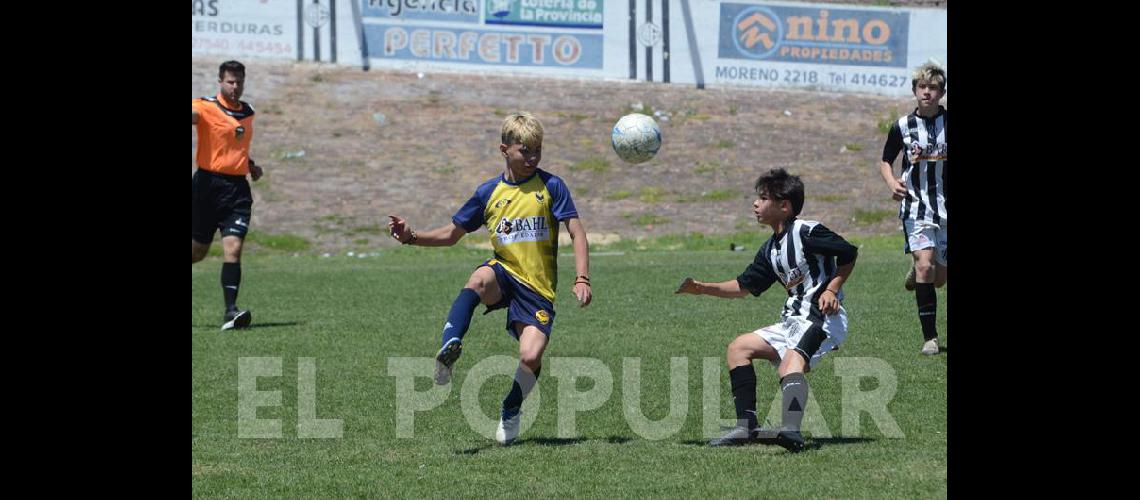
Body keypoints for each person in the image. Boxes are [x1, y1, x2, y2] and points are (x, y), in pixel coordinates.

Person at [387, 112, 593, 445]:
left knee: (530, 356)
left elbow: (577, 232)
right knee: (479, 280)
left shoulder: (551, 186)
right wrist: (412, 236)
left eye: (537, 150)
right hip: (505, 271)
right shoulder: (488, 193)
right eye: (525, 151)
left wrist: (582, 277)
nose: (532, 157)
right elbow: (452, 234)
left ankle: (511, 408)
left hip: (537, 288)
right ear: (504, 149)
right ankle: (448, 348)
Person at [676, 168, 857, 451]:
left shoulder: (807, 231)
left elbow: (848, 253)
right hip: (792, 321)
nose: (756, 204)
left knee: (790, 366)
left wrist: (832, 289)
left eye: (763, 198)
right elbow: (742, 286)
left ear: (784, 206)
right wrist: (702, 288)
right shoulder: (771, 249)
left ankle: (792, 433)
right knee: (739, 348)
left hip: (822, 318)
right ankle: (746, 427)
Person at [879, 62, 947, 356]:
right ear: (915, 91)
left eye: (933, 88)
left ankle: (921, 267)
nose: (927, 93)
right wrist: (892, 182)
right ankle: (930, 338)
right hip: (915, 206)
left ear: (942, 93)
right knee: (925, 266)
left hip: (945, 206)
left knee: (939, 277)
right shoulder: (902, 126)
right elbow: (885, 160)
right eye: (923, 88)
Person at [192, 60, 264, 330]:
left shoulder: (247, 111)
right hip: (207, 187)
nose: (235, 87)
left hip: (237, 190)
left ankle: (230, 312)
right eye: (230, 82)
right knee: (197, 252)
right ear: (220, 81)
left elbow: (235, 147)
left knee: (233, 249)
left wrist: (250, 165)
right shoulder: (204, 107)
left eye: (239, 82)